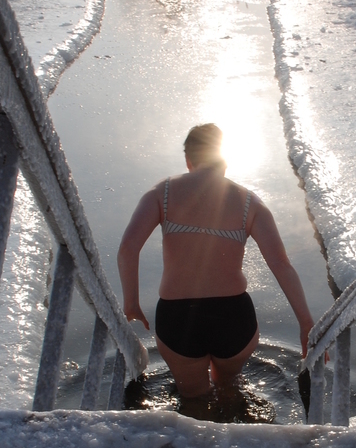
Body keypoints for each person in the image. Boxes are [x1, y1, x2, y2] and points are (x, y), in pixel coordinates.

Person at [118, 123, 315, 398]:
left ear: (189, 160)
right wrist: (306, 323)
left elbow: (128, 248)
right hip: (234, 318)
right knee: (229, 390)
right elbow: (281, 264)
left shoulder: (161, 193)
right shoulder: (250, 203)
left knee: (193, 402)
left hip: (178, 319)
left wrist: (131, 302)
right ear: (225, 158)